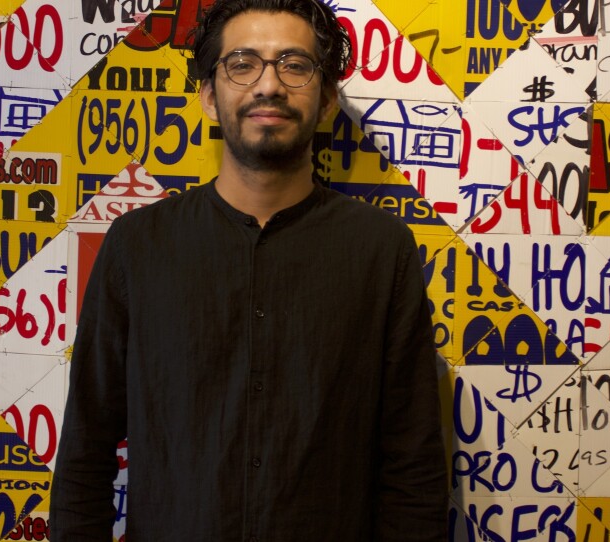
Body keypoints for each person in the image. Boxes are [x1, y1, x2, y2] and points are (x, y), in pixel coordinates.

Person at [49, 0, 448, 540]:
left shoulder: (382, 250)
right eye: (242, 63)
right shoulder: (137, 246)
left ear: (328, 100)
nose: (269, 85)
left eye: (294, 64)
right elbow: (86, 447)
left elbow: (413, 462)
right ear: (209, 97)